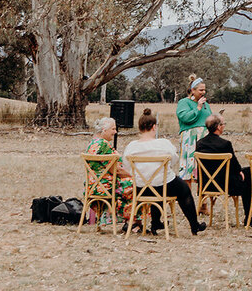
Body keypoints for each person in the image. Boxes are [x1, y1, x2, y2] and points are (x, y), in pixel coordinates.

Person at [121, 108, 207, 236]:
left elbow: (127, 167)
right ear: (154, 127)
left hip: (140, 188)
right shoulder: (163, 144)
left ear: (139, 128)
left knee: (155, 182)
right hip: (163, 186)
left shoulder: (132, 146)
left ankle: (156, 222)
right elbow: (173, 161)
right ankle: (194, 225)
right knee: (183, 190)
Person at [195, 113, 252, 225]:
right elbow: (235, 166)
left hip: (206, 184)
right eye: (223, 124)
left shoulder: (200, 143)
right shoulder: (225, 144)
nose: (224, 126)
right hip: (225, 184)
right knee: (249, 174)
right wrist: (239, 172)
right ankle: (248, 216)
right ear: (218, 127)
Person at [84, 117, 135, 229]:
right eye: (113, 129)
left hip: (92, 186)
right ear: (104, 130)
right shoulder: (104, 145)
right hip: (106, 186)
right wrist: (133, 175)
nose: (115, 132)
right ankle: (134, 222)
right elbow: (116, 170)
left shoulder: (92, 143)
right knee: (137, 186)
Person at [176, 74, 213, 184]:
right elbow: (185, 118)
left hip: (204, 139)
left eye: (204, 90)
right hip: (190, 139)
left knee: (202, 168)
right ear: (193, 90)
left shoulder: (206, 104)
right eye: (201, 90)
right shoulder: (184, 102)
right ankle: (187, 198)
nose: (203, 92)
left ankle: (203, 199)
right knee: (188, 168)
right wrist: (197, 108)